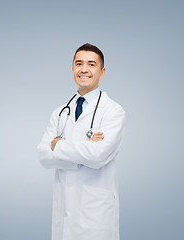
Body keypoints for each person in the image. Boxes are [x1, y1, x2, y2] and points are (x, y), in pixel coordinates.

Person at [37, 43, 126, 240]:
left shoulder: (113, 111)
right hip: (64, 209)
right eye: (79, 64)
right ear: (72, 69)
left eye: (91, 64)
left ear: (102, 72)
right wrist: (85, 148)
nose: (84, 69)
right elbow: (44, 156)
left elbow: (98, 156)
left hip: (95, 212)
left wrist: (58, 145)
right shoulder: (61, 112)